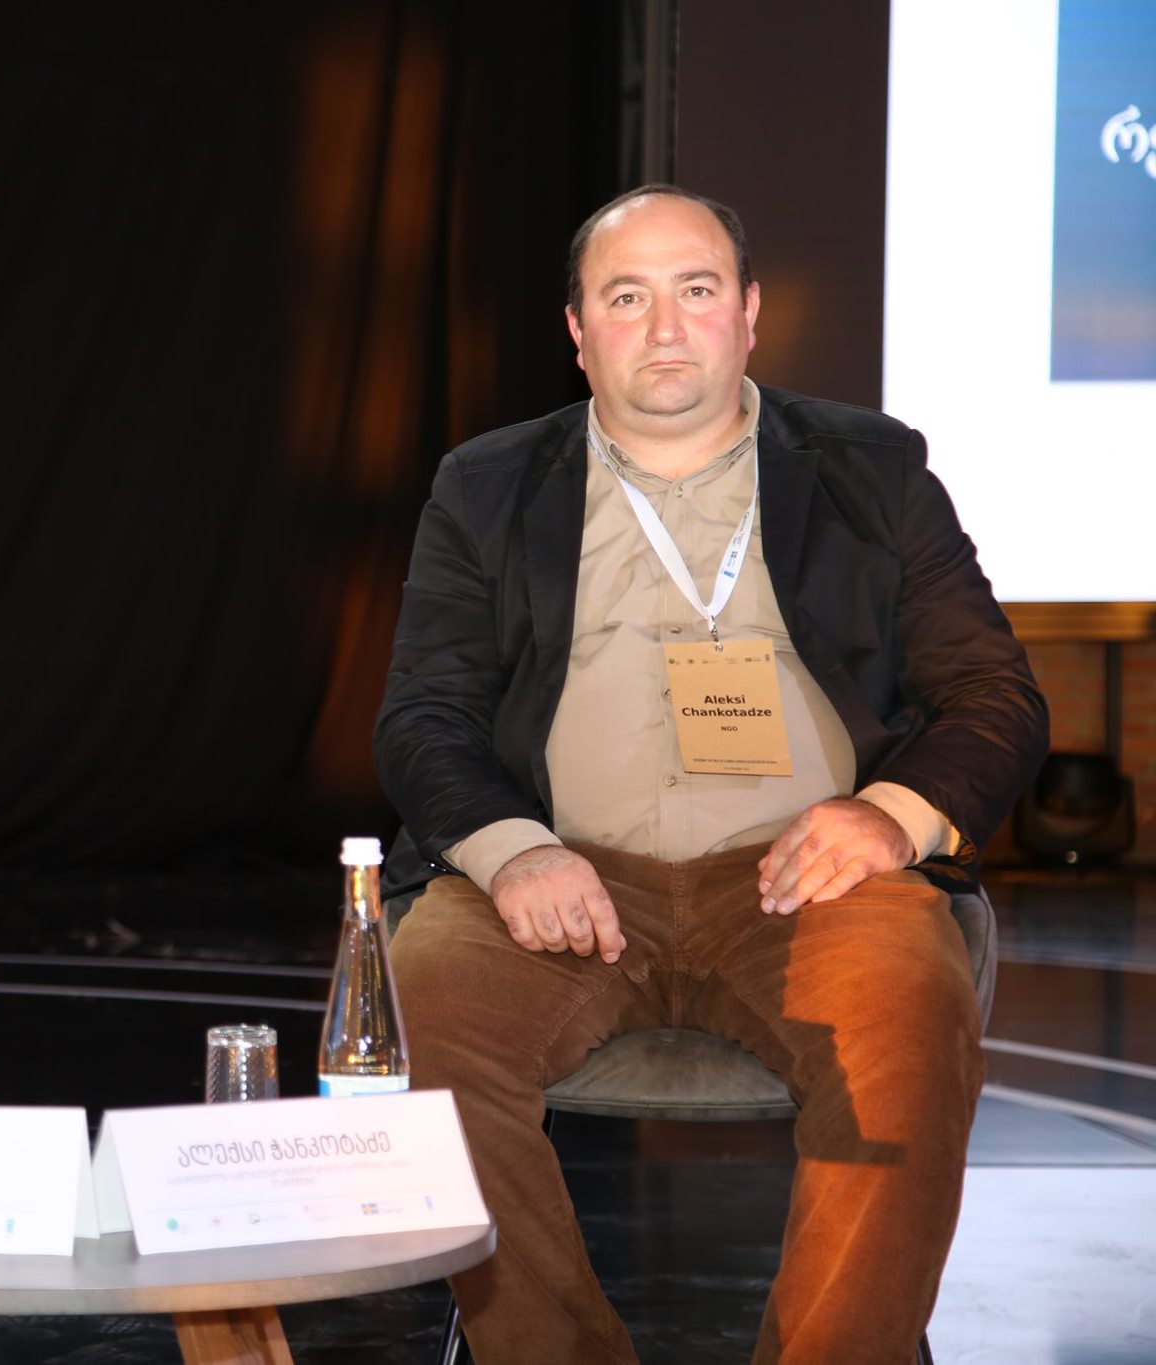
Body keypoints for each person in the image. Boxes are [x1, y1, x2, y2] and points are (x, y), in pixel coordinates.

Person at [375, 186, 1048, 1363]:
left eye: (693, 290)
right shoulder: (485, 485)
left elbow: (995, 694)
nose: (663, 327)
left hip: (809, 878)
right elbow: (422, 714)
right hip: (561, 878)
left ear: (747, 312)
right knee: (425, 1014)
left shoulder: (870, 469)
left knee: (906, 1028)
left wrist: (886, 819)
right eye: (624, 297)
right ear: (576, 330)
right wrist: (513, 851)